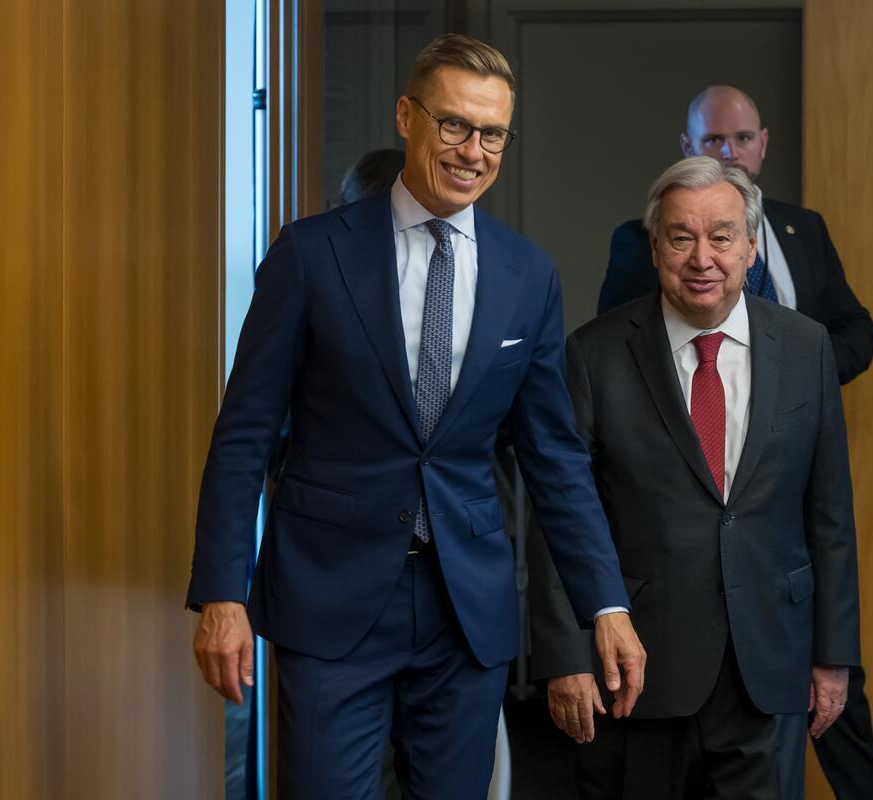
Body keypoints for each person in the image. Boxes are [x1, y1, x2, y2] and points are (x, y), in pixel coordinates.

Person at [187, 33, 646, 799]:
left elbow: (554, 458)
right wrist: (222, 593)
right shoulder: (310, 255)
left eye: (492, 133)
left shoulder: (527, 275)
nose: (472, 151)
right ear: (407, 117)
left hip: (464, 613)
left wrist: (605, 602)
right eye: (454, 124)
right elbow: (243, 436)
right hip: (329, 601)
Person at [530, 157, 860, 799]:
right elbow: (559, 515)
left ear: (751, 248)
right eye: (681, 237)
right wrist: (566, 655)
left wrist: (834, 654)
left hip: (768, 663)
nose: (702, 258)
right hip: (635, 669)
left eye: (722, 237)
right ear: (655, 248)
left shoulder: (806, 347)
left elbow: (830, 515)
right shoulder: (594, 354)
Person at [597, 85, 873, 386]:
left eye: (743, 138)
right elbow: (616, 346)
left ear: (763, 143)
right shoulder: (640, 240)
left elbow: (857, 330)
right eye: (714, 139)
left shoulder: (806, 228)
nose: (730, 152)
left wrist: (798, 376)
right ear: (687, 147)